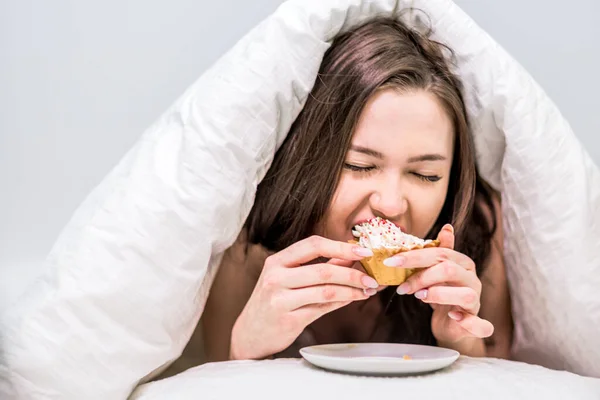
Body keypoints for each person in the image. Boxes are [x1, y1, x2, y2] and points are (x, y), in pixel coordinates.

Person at [201, 16, 513, 362]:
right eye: (359, 166)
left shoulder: (478, 227)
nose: (391, 205)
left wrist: (460, 340)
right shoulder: (249, 249)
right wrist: (245, 346)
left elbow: (500, 377)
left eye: (426, 174)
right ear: (310, 159)